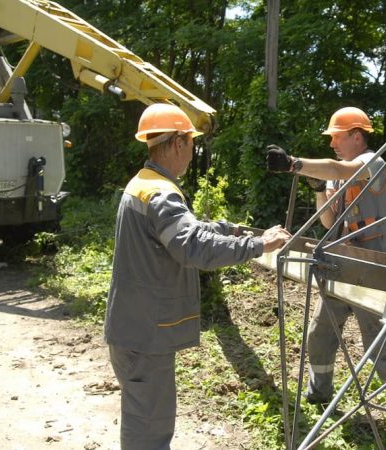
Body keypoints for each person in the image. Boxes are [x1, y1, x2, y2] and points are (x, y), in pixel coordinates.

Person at [105, 103, 290, 450]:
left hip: (135, 329)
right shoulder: (162, 193)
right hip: (146, 336)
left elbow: (182, 232)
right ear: (178, 142)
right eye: (191, 143)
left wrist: (230, 230)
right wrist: (258, 245)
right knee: (150, 432)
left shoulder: (145, 184)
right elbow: (193, 247)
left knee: (144, 422)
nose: (192, 153)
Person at [266, 106, 386, 444]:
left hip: (372, 268)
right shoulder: (337, 174)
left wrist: (294, 164)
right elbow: (327, 221)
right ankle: (320, 392)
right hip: (341, 263)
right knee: (321, 333)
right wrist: (320, 187)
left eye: (337, 136)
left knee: (379, 344)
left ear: (356, 135)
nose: (333, 143)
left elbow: (340, 167)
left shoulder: (372, 164)